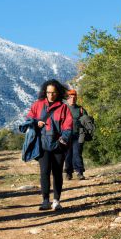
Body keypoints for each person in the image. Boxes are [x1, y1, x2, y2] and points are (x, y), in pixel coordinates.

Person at [26, 79, 73, 211]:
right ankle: (45, 201)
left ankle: (56, 201)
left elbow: (68, 126)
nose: (50, 95)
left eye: (53, 92)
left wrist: (62, 140)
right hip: (42, 146)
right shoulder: (37, 105)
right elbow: (28, 119)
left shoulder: (63, 108)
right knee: (44, 172)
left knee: (57, 173)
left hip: (58, 146)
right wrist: (36, 123)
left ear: (58, 93)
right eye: (48, 92)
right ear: (45, 92)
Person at [64, 89, 87, 180]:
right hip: (66, 135)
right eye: (70, 97)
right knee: (68, 154)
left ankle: (79, 172)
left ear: (76, 98)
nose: (72, 99)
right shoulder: (63, 109)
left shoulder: (81, 109)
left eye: (74, 97)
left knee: (77, 153)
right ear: (67, 98)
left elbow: (86, 121)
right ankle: (68, 173)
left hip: (78, 135)